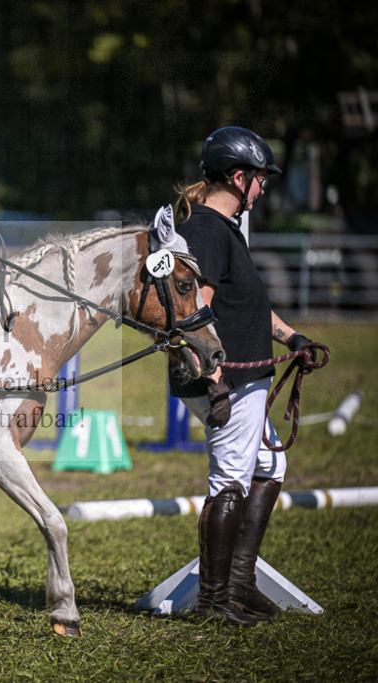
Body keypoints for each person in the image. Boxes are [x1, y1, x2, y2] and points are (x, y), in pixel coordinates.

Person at [170, 126, 319, 625]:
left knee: (268, 469)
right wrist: (214, 385)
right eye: (260, 179)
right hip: (227, 378)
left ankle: (239, 582)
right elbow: (197, 314)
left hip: (242, 375)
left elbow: (246, 308)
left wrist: (293, 338)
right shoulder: (209, 230)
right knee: (230, 480)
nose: (263, 187)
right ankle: (215, 603)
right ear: (238, 177)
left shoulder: (222, 228)